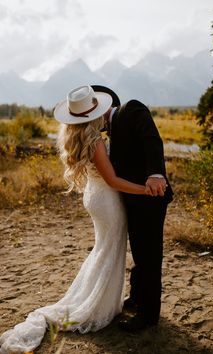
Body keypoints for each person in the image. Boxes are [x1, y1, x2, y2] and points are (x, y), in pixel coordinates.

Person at [0, 85, 153, 354]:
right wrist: (145, 189)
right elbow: (113, 180)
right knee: (109, 249)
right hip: (107, 200)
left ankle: (106, 301)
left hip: (95, 198)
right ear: (93, 114)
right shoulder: (95, 142)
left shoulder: (79, 136)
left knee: (103, 248)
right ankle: (97, 305)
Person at [92, 85, 174, 332]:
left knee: (149, 256)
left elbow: (151, 139)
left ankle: (148, 316)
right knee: (140, 252)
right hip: (134, 201)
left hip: (150, 196)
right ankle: (137, 297)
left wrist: (156, 174)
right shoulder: (112, 129)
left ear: (102, 107)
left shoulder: (131, 108)